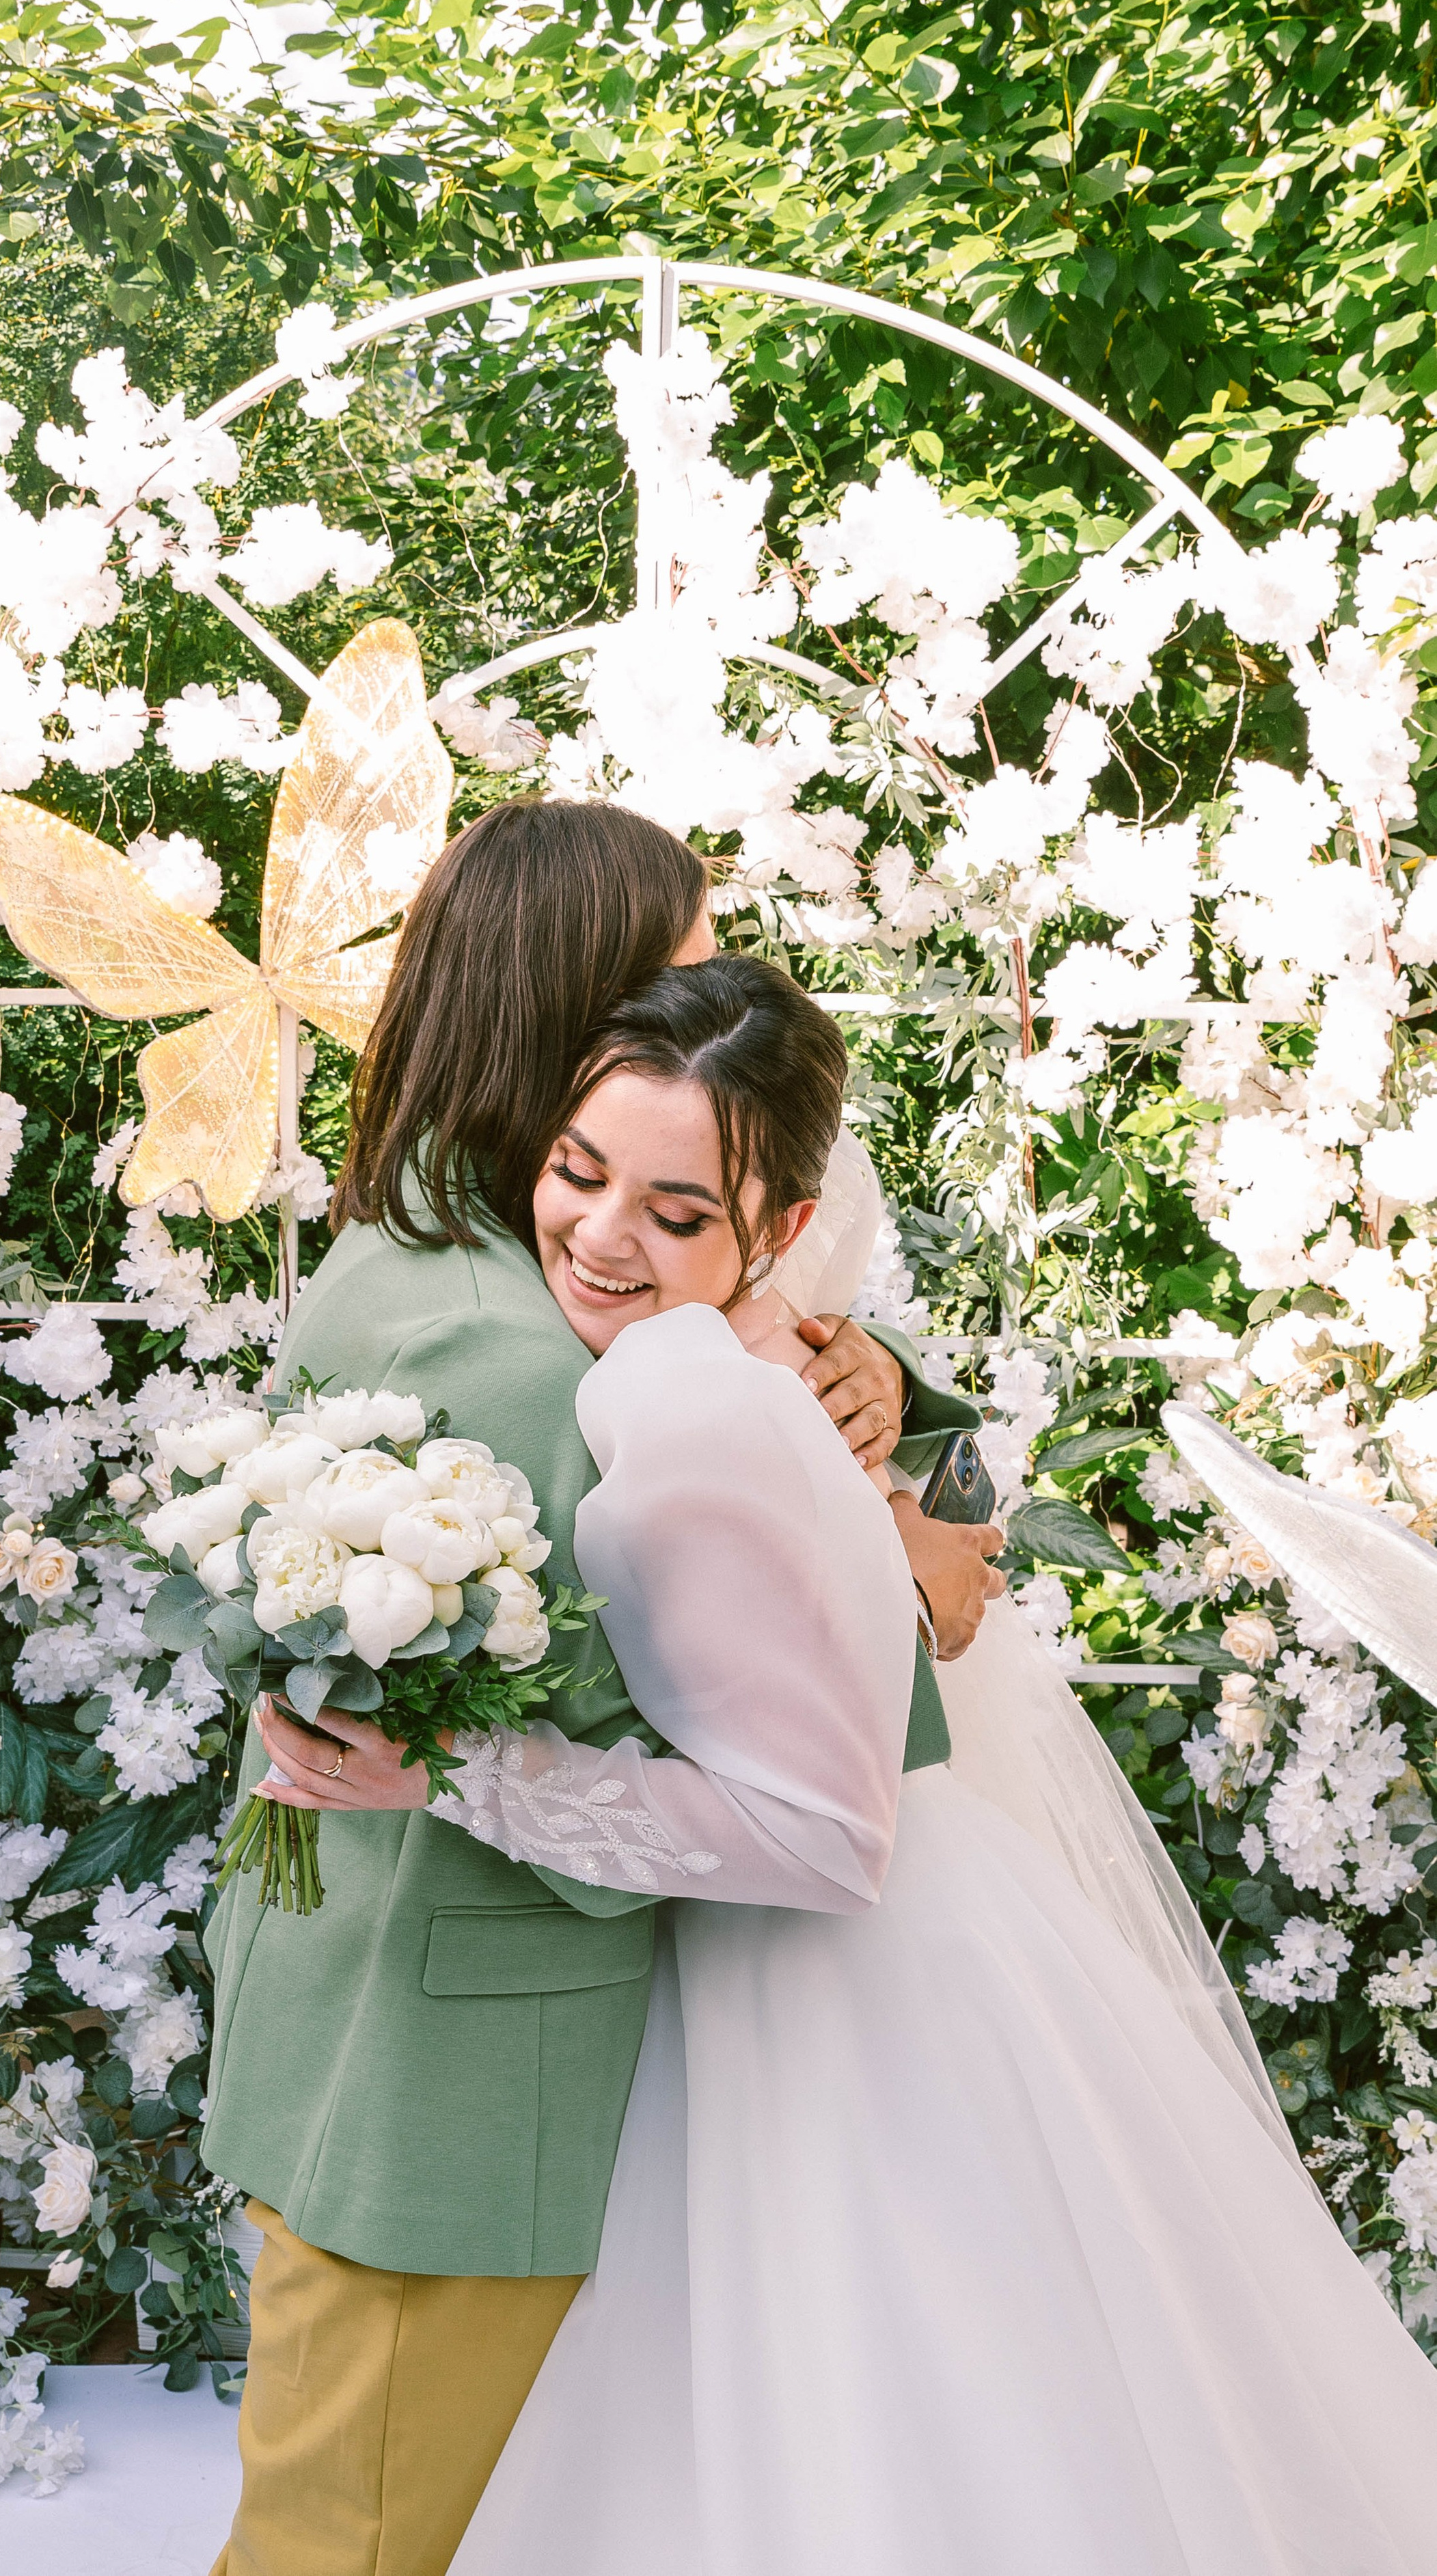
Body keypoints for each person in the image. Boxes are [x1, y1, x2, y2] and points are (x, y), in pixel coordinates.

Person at [269, 953, 1437, 2576]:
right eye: (578, 1172)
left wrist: (453, 1773)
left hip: (831, 1983)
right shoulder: (726, 1359)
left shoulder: (701, 1409)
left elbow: (823, 1838)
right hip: (749, 1975)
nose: (603, 1238)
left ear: (773, 1225)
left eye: (675, 1216)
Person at [199, 798, 1000, 2576]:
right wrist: (926, 1578)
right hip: (457, 2060)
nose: (715, 991)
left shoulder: (427, 1240)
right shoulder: (531, 1358)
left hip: (371, 1995)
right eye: (680, 964)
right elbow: (736, 1715)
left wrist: (846, 1371)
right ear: (580, 1013)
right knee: (351, 2540)